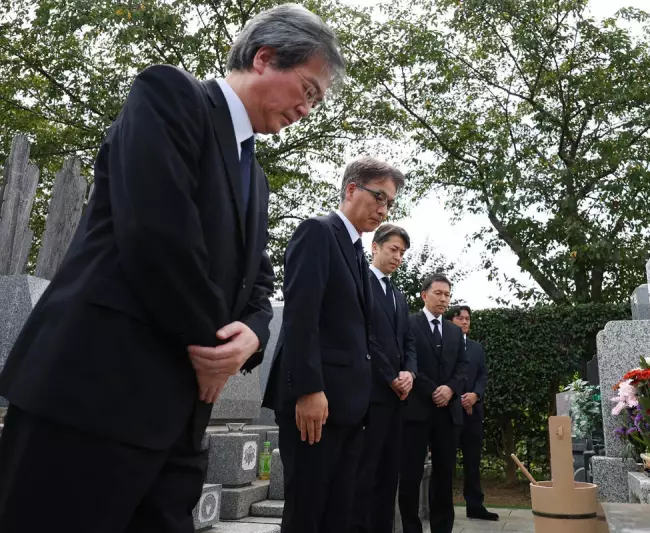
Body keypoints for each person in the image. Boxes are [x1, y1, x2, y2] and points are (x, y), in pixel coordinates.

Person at [0, 5, 343, 532]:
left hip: (178, 423)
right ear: (265, 57)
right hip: (94, 396)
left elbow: (260, 282)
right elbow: (158, 235)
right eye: (308, 89)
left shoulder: (257, 178)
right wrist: (212, 348)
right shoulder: (171, 96)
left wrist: (250, 338)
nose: (308, 108)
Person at [263, 158, 406, 533]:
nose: (383, 209)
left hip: (349, 409)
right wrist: (309, 388)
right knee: (308, 513)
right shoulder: (318, 232)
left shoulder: (356, 252)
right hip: (316, 405)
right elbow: (301, 316)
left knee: (340, 515)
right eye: (379, 197)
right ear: (351, 189)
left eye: (389, 203)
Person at [351, 223, 417, 533]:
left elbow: (409, 343)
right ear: (375, 247)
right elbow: (365, 336)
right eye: (393, 249)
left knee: (390, 475)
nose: (398, 257)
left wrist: (409, 373)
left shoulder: (398, 295)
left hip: (397, 400)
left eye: (402, 253)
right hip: (369, 396)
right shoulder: (359, 282)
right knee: (365, 475)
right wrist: (389, 376)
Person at [399, 274, 468, 533]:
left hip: (447, 413)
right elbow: (407, 360)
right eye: (438, 293)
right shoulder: (409, 324)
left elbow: (463, 366)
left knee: (444, 475)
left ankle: (442, 528)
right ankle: (411, 528)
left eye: (447, 295)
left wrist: (450, 389)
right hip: (416, 410)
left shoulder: (453, 330)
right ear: (424, 295)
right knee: (410, 475)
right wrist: (432, 390)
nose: (443, 299)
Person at [447, 305, 499, 521]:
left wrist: (475, 395)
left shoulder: (477, 348)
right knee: (445, 462)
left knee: (473, 461)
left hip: (473, 413)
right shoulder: (444, 345)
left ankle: (475, 506)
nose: (465, 322)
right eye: (460, 318)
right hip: (449, 411)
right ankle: (440, 507)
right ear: (451, 321)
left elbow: (483, 375)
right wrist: (460, 398)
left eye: (468, 318)